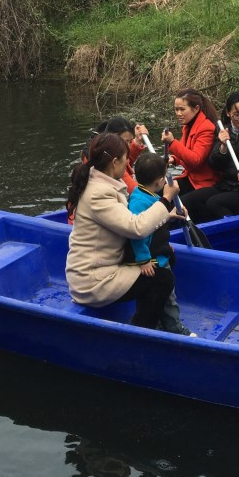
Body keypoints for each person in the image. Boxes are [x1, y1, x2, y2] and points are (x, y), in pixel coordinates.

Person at [66, 132, 182, 329]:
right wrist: (166, 199)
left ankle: (156, 320)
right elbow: (136, 228)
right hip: (93, 280)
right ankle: (143, 328)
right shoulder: (98, 194)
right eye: (126, 158)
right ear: (114, 162)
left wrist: (166, 215)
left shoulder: (104, 184)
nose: (128, 162)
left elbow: (127, 221)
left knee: (166, 257)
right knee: (161, 278)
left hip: (109, 266)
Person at [125, 152, 195, 336]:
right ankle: (172, 326)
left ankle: (160, 323)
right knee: (166, 296)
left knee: (160, 294)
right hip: (152, 260)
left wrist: (170, 217)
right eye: (164, 177)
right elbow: (137, 234)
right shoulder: (139, 202)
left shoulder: (149, 195)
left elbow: (155, 222)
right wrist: (144, 259)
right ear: (159, 181)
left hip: (159, 253)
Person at [183, 91, 239, 222]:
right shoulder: (223, 131)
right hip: (228, 186)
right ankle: (203, 233)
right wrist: (222, 147)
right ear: (228, 113)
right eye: (237, 115)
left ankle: (234, 232)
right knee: (188, 200)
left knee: (214, 203)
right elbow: (214, 164)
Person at [160, 88, 221, 208]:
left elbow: (196, 159)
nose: (178, 113)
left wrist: (172, 142)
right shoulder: (188, 125)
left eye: (182, 109)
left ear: (196, 108)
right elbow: (184, 150)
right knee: (159, 191)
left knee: (177, 204)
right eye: (176, 109)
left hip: (204, 183)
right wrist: (173, 159)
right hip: (191, 178)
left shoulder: (206, 128)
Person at [81, 116, 149, 195]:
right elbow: (135, 192)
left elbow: (125, 162)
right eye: (126, 141)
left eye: (131, 141)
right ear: (113, 139)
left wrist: (137, 140)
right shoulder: (107, 162)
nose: (129, 146)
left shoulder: (106, 149)